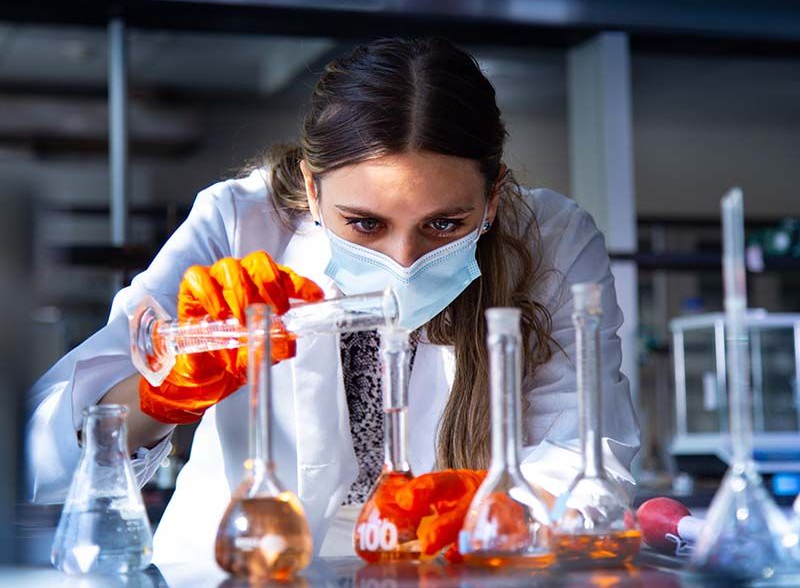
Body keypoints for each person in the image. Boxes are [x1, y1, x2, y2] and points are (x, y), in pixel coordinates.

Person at [26, 37, 639, 562]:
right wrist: (163, 394)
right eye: (366, 224)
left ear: (494, 198)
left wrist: (503, 509)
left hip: (436, 569)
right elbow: (34, 455)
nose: (404, 261)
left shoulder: (552, 239)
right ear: (314, 194)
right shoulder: (237, 223)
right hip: (238, 569)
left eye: (445, 224)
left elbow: (588, 457)